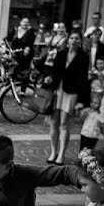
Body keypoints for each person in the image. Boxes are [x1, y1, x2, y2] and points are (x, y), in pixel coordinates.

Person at [39, 30, 90, 163]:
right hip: (57, 91)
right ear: (68, 41)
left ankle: (61, 154)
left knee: (64, 123)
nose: (74, 40)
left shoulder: (83, 57)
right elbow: (50, 69)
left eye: (76, 38)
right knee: (54, 123)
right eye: (72, 38)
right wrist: (49, 77)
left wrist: (81, 101)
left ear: (80, 41)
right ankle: (53, 152)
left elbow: (83, 80)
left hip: (71, 93)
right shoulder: (60, 54)